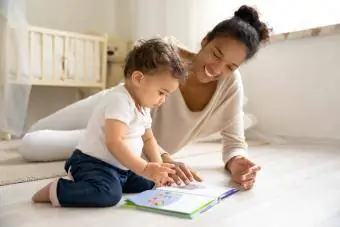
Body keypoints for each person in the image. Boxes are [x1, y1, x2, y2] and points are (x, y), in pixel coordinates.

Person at [20, 5, 270, 191]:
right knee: (36, 134)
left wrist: (238, 162)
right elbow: (135, 81)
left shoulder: (229, 86)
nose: (217, 69)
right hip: (115, 111)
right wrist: (164, 157)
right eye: (216, 54)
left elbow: (234, 141)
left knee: (35, 146)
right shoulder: (168, 57)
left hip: (130, 142)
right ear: (204, 41)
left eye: (230, 66)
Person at [31, 38, 187, 207]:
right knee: (108, 194)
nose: (163, 100)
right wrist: (144, 168)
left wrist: (157, 168)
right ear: (138, 78)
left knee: (148, 182)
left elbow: (149, 140)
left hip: (120, 169)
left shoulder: (143, 107)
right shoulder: (119, 100)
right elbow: (114, 141)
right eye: (161, 92)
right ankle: (57, 190)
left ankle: (120, 181)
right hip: (92, 164)